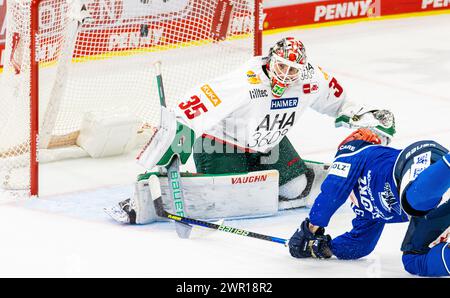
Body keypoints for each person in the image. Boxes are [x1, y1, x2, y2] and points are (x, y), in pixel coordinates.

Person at [107, 37, 396, 224]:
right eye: (281, 66)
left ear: (302, 69)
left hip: (268, 144)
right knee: (224, 199)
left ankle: (261, 176)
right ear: (271, 60)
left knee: (296, 188)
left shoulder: (313, 80)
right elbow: (192, 108)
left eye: (293, 70)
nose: (286, 74)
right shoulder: (245, 82)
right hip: (220, 142)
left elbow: (341, 103)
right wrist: (172, 144)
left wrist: (365, 117)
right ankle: (149, 193)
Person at [288, 128, 450, 277]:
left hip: (419, 161)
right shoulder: (364, 211)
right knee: (413, 260)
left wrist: (308, 229)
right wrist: (322, 247)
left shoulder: (353, 152)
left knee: (412, 201)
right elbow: (360, 245)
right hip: (430, 203)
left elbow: (332, 193)